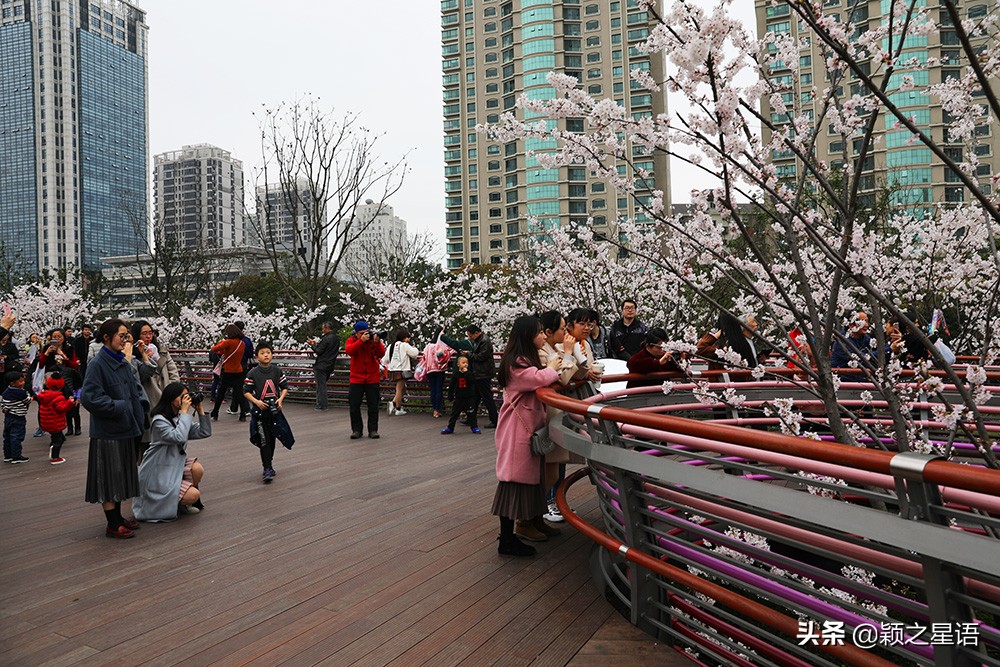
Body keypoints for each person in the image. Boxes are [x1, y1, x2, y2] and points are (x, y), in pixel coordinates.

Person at [492, 315, 563, 557]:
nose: (544, 336)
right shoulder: (516, 364)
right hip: (516, 433)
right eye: (540, 332)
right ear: (527, 336)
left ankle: (522, 529)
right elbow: (539, 377)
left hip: (523, 431)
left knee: (526, 482)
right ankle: (507, 539)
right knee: (513, 485)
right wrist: (552, 368)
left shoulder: (521, 360)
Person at [81, 318, 149, 539]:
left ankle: (118, 518)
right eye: (122, 335)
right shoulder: (98, 364)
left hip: (126, 427)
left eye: (127, 335)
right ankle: (112, 524)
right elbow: (90, 398)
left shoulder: (121, 360)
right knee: (109, 477)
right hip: (108, 430)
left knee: (121, 475)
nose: (126, 339)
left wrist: (139, 410)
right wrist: (120, 407)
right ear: (107, 338)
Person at [134, 382, 210, 521]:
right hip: (158, 471)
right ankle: (177, 503)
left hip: (174, 466)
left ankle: (179, 502)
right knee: (194, 495)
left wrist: (200, 411)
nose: (185, 400)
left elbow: (204, 432)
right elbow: (178, 436)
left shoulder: (179, 418)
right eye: (182, 397)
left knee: (197, 469)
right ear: (170, 399)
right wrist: (185, 413)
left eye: (187, 396)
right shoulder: (159, 421)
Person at [244, 341, 293, 483]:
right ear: (257, 357)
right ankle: (267, 468)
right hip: (259, 413)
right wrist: (257, 402)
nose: (266, 355)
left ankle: (269, 464)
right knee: (264, 439)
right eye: (262, 353)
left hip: (274, 411)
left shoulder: (277, 371)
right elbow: (246, 391)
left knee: (272, 438)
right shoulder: (253, 373)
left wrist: (281, 399)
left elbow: (284, 387)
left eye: (268, 352)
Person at [344, 321, 385, 439]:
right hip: (356, 379)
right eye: (362, 333)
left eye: (366, 332)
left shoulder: (372, 341)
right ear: (356, 333)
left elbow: (381, 353)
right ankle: (357, 430)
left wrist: (377, 343)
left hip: (372, 378)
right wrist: (361, 341)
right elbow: (350, 351)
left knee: (373, 405)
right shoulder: (351, 341)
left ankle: (373, 430)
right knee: (354, 406)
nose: (365, 335)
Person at [697, 312, 768, 371]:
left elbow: (700, 349)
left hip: (724, 384)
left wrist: (715, 335)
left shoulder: (723, 349)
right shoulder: (745, 343)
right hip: (744, 382)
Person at [210, 324, 249, 421]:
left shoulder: (228, 342)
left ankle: (215, 413)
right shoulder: (242, 343)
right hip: (239, 370)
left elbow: (214, 349)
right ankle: (243, 415)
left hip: (228, 371)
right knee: (239, 393)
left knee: (221, 393)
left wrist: (222, 342)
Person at [37, 372, 78, 464]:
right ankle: (55, 458)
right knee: (58, 441)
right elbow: (62, 409)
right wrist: (70, 402)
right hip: (55, 422)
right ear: (60, 386)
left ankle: (53, 449)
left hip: (47, 422)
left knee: (56, 437)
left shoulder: (43, 395)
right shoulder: (58, 397)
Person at [465, 324, 499, 428]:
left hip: (483, 373)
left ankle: (495, 420)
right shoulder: (480, 340)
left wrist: (469, 354)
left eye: (470, 335)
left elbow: (481, 357)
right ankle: (471, 418)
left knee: (486, 397)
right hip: (479, 373)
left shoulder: (484, 341)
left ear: (476, 333)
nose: (470, 337)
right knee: (476, 397)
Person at [440, 354, 480, 434]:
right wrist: (450, 395)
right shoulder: (456, 375)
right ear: (458, 364)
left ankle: (474, 427)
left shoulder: (470, 374)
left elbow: (473, 381)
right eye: (463, 362)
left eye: (466, 363)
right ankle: (450, 427)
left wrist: (467, 373)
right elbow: (452, 385)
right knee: (454, 414)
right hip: (459, 398)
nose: (465, 364)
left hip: (469, 397)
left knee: (471, 413)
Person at [384, 328, 420, 416]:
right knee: (399, 389)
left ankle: (396, 406)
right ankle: (395, 406)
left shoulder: (391, 346)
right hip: (402, 370)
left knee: (402, 389)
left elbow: (386, 359)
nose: (408, 340)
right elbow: (414, 353)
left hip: (393, 370)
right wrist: (414, 347)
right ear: (404, 338)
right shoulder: (404, 345)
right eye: (408, 338)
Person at [307, 321, 340, 411]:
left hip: (321, 365)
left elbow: (319, 351)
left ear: (327, 328)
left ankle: (322, 405)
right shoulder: (336, 338)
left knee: (321, 386)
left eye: (323, 328)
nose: (322, 330)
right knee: (323, 385)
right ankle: (323, 404)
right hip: (330, 365)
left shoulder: (326, 339)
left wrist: (313, 345)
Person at [421, 328, 453, 418]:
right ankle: (437, 410)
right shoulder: (442, 345)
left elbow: (424, 356)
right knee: (439, 389)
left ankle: (434, 408)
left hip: (429, 370)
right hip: (439, 370)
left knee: (433, 390)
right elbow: (451, 351)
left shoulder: (428, 346)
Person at [2, 370, 32, 464]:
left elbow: (3, 404)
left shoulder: (6, 391)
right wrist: (30, 397)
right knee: (16, 436)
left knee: (7, 436)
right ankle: (16, 456)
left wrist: (4, 408)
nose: (23, 383)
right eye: (20, 381)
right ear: (13, 383)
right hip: (18, 417)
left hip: (8, 417)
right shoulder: (20, 392)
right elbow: (27, 401)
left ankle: (8, 456)